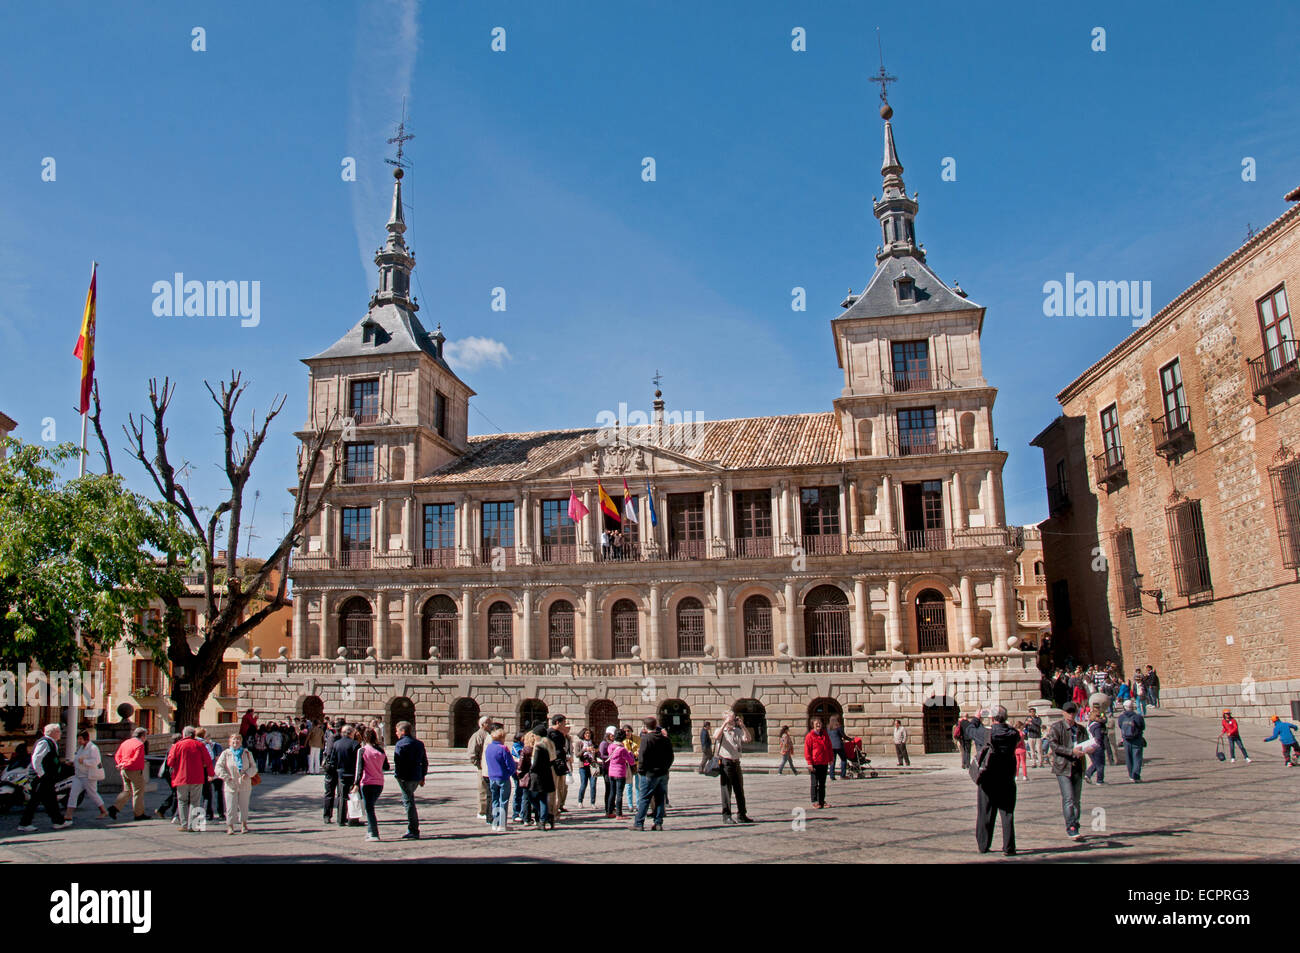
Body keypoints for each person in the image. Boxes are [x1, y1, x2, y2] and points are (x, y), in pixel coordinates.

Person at [974, 705, 1019, 855]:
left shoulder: (987, 733)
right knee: (1007, 814)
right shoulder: (1014, 733)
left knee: (985, 813)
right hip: (1007, 778)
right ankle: (1009, 847)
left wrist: (976, 718)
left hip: (988, 779)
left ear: (992, 718)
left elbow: (969, 731)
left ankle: (983, 845)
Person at [1048, 702, 1089, 839]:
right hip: (1063, 767)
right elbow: (1054, 745)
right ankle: (1070, 826)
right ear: (1063, 713)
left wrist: (1089, 749)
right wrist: (1071, 751)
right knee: (1069, 798)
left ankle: (1075, 824)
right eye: (1068, 712)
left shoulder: (1081, 729)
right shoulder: (1057, 727)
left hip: (1078, 766)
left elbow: (1086, 743)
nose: (1071, 715)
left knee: (1077, 800)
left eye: (1073, 712)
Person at [18, 724, 67, 832]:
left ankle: (58, 821)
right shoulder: (44, 743)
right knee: (36, 800)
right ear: (52, 733)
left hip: (45, 777)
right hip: (40, 777)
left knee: (50, 799)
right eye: (58, 731)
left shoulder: (50, 743)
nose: (60, 733)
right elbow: (36, 759)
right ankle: (25, 823)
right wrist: (41, 775)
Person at [166, 726, 215, 832]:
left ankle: (184, 824)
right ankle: (192, 825)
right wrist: (211, 774)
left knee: (182, 801)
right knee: (195, 801)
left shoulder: (177, 745)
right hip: (197, 777)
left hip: (181, 777)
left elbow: (170, 762)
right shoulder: (200, 745)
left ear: (184, 734)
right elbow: (208, 760)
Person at [633, 716, 674, 831]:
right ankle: (658, 823)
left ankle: (639, 823)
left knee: (645, 798)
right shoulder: (665, 739)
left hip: (649, 774)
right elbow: (671, 756)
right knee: (660, 798)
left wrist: (641, 770)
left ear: (645, 727)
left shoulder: (646, 739)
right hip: (663, 773)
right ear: (656, 725)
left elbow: (642, 756)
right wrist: (666, 768)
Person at [713, 711, 754, 824]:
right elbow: (716, 736)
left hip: (736, 763)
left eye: (733, 719)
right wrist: (725, 724)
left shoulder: (738, 730)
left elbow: (748, 739)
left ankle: (742, 814)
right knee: (726, 790)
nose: (732, 722)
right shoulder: (720, 730)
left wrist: (742, 725)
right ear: (725, 720)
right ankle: (726, 816)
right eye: (730, 719)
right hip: (726, 763)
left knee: (739, 790)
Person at [213, 733, 258, 834]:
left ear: (241, 742)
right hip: (230, 783)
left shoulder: (247, 753)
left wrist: (247, 774)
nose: (235, 742)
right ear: (230, 742)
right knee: (230, 806)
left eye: (238, 740)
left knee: (244, 805)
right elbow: (218, 767)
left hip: (244, 783)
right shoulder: (226, 753)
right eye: (233, 740)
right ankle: (230, 826)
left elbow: (254, 767)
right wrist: (226, 777)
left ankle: (244, 824)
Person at [393, 720, 427, 840]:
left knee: (409, 802)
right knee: (410, 800)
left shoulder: (400, 744)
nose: (396, 733)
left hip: (405, 777)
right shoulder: (419, 743)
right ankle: (413, 828)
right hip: (416, 776)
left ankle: (413, 829)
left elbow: (398, 762)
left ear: (403, 731)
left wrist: (397, 776)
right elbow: (424, 761)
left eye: (397, 731)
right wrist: (423, 776)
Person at [65, 729, 108, 821]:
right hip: (79, 776)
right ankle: (68, 814)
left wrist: (84, 762)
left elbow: (96, 761)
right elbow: (78, 759)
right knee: (73, 794)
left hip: (88, 776)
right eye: (78, 739)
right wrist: (72, 763)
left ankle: (103, 811)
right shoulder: (81, 748)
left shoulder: (93, 748)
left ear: (86, 739)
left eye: (80, 739)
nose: (79, 741)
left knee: (92, 794)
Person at [355, 727, 389, 841]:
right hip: (379, 782)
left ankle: (374, 833)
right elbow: (386, 767)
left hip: (367, 782)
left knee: (369, 809)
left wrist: (355, 783)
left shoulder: (362, 750)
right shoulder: (381, 751)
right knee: (370, 806)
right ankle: (370, 831)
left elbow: (359, 769)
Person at [109, 726, 149, 821]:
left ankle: (115, 808)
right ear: (142, 736)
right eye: (145, 736)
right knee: (138, 791)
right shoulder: (139, 745)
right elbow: (135, 759)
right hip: (134, 770)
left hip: (124, 770)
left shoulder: (125, 742)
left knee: (127, 791)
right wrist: (126, 764)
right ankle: (138, 814)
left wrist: (121, 764)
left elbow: (118, 755)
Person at [325, 724, 361, 826]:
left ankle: (340, 819)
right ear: (351, 733)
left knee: (342, 797)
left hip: (341, 773)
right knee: (354, 796)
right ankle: (353, 819)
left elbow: (333, 759)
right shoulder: (355, 744)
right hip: (352, 774)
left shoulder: (336, 744)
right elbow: (358, 761)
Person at [485, 726, 516, 832]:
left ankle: (495, 823)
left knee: (495, 800)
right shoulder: (503, 748)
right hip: (503, 777)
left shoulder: (488, 748)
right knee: (504, 801)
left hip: (492, 777)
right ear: (502, 738)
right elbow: (510, 765)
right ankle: (502, 824)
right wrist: (510, 773)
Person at [528, 722, 556, 830]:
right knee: (543, 798)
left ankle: (543, 818)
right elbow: (552, 761)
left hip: (538, 776)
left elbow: (535, 764)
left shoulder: (539, 746)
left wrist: (530, 770)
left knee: (532, 797)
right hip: (547, 774)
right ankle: (545, 818)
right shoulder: (550, 744)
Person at [605, 729, 636, 819]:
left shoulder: (610, 746)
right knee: (619, 794)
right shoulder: (622, 749)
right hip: (620, 772)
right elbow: (631, 762)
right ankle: (619, 813)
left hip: (611, 771)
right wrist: (630, 754)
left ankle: (609, 811)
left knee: (612, 792)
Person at [804, 718, 833, 809]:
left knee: (822, 784)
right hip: (815, 763)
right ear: (813, 725)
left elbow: (829, 747)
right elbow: (807, 750)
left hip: (824, 762)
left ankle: (822, 801)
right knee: (814, 783)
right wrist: (809, 763)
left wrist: (831, 758)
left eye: (819, 723)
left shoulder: (825, 734)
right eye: (816, 723)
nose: (818, 725)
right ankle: (815, 801)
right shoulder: (810, 736)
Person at [197, 729, 225, 824]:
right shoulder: (217, 746)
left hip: (207, 772)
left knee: (207, 794)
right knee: (218, 792)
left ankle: (209, 814)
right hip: (216, 772)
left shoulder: (202, 746)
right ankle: (221, 813)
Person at [467, 715, 492, 820]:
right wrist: (479, 764)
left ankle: (488, 810)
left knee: (488, 790)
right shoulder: (478, 735)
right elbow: (472, 752)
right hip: (483, 766)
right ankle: (482, 811)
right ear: (483, 724)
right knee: (483, 790)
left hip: (489, 766)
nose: (490, 724)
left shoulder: (488, 734)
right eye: (488, 723)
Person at [547, 714, 570, 818]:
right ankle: (551, 811)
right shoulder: (549, 733)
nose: (565, 725)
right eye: (564, 722)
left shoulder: (559, 734)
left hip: (561, 763)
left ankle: (556, 809)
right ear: (558, 722)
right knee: (553, 789)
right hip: (553, 763)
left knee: (561, 788)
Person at [1117, 700, 1146, 781]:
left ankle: (1131, 775)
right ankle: (1136, 776)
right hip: (1137, 739)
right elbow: (1142, 727)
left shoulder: (1121, 717)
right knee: (1137, 757)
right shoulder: (1138, 717)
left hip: (1126, 739)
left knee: (1129, 758)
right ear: (1133, 707)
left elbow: (1120, 726)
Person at [575, 727, 599, 805]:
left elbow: (598, 753)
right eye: (586, 733)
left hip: (593, 766)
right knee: (583, 784)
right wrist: (585, 750)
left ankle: (593, 802)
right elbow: (577, 754)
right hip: (583, 765)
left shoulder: (594, 743)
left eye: (589, 733)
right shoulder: (579, 743)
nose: (588, 735)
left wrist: (596, 751)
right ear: (583, 734)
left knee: (593, 785)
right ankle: (580, 801)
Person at [1084, 709, 1108, 785]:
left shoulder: (1089, 724)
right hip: (1097, 746)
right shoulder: (1097, 726)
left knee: (1095, 763)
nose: (1100, 717)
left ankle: (1088, 774)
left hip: (1090, 745)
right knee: (1100, 764)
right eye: (1098, 716)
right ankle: (1100, 780)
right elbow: (1098, 737)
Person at [827, 715, 849, 780]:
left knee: (832, 761)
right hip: (839, 746)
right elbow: (843, 736)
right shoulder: (838, 727)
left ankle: (832, 776)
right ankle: (843, 775)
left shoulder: (828, 728)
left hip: (831, 746)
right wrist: (850, 739)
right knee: (843, 759)